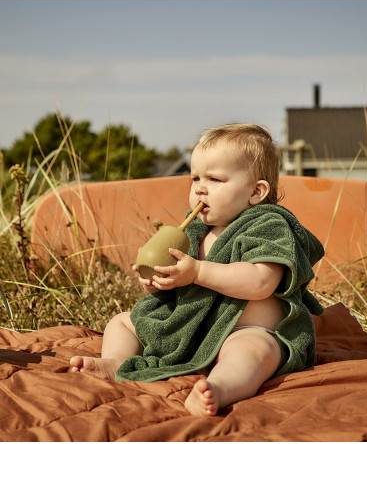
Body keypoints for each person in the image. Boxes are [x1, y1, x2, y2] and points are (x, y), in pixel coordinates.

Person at [70, 123, 324, 416]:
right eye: (195, 178)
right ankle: (116, 362)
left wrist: (198, 272)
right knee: (123, 322)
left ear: (256, 191)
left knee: (254, 352)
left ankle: (218, 387)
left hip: (246, 330)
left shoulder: (267, 225)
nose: (199, 188)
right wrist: (154, 280)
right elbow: (175, 289)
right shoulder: (193, 231)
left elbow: (260, 283)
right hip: (193, 330)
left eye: (215, 179)